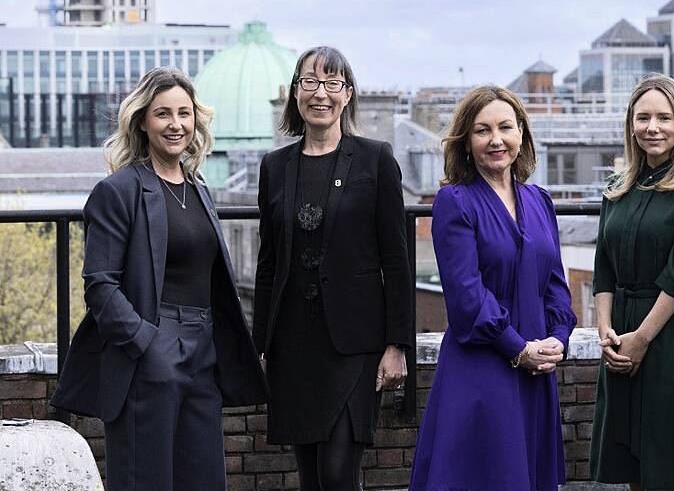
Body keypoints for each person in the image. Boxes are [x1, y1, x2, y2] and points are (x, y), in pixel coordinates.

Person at [51, 67, 267, 490]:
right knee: (144, 481)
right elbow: (100, 285)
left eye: (184, 113)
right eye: (163, 113)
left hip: (203, 354)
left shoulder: (199, 189)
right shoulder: (119, 191)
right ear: (143, 121)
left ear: (196, 120)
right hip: (149, 352)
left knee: (204, 480)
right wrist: (146, 344)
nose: (176, 124)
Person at [252, 46, 413, 491]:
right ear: (295, 93)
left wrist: (398, 344)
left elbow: (396, 259)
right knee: (309, 478)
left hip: (355, 346)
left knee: (339, 473)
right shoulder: (275, 167)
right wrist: (260, 343)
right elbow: (269, 261)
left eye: (332, 84)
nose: (319, 93)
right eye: (309, 82)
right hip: (292, 347)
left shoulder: (374, 159)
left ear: (347, 95)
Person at [409, 85, 576, 491]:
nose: (496, 139)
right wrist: (519, 349)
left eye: (505, 127)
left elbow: (556, 283)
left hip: (538, 369)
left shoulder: (541, 201)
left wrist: (557, 337)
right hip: (484, 367)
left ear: (522, 135)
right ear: (467, 142)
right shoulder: (455, 201)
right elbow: (467, 297)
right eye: (483, 130)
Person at [589, 73, 674, 491]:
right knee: (633, 469)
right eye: (642, 117)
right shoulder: (616, 187)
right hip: (621, 332)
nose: (652, 127)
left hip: (667, 335)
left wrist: (640, 339)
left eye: (664, 117)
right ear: (630, 124)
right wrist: (606, 332)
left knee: (668, 465)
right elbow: (603, 269)